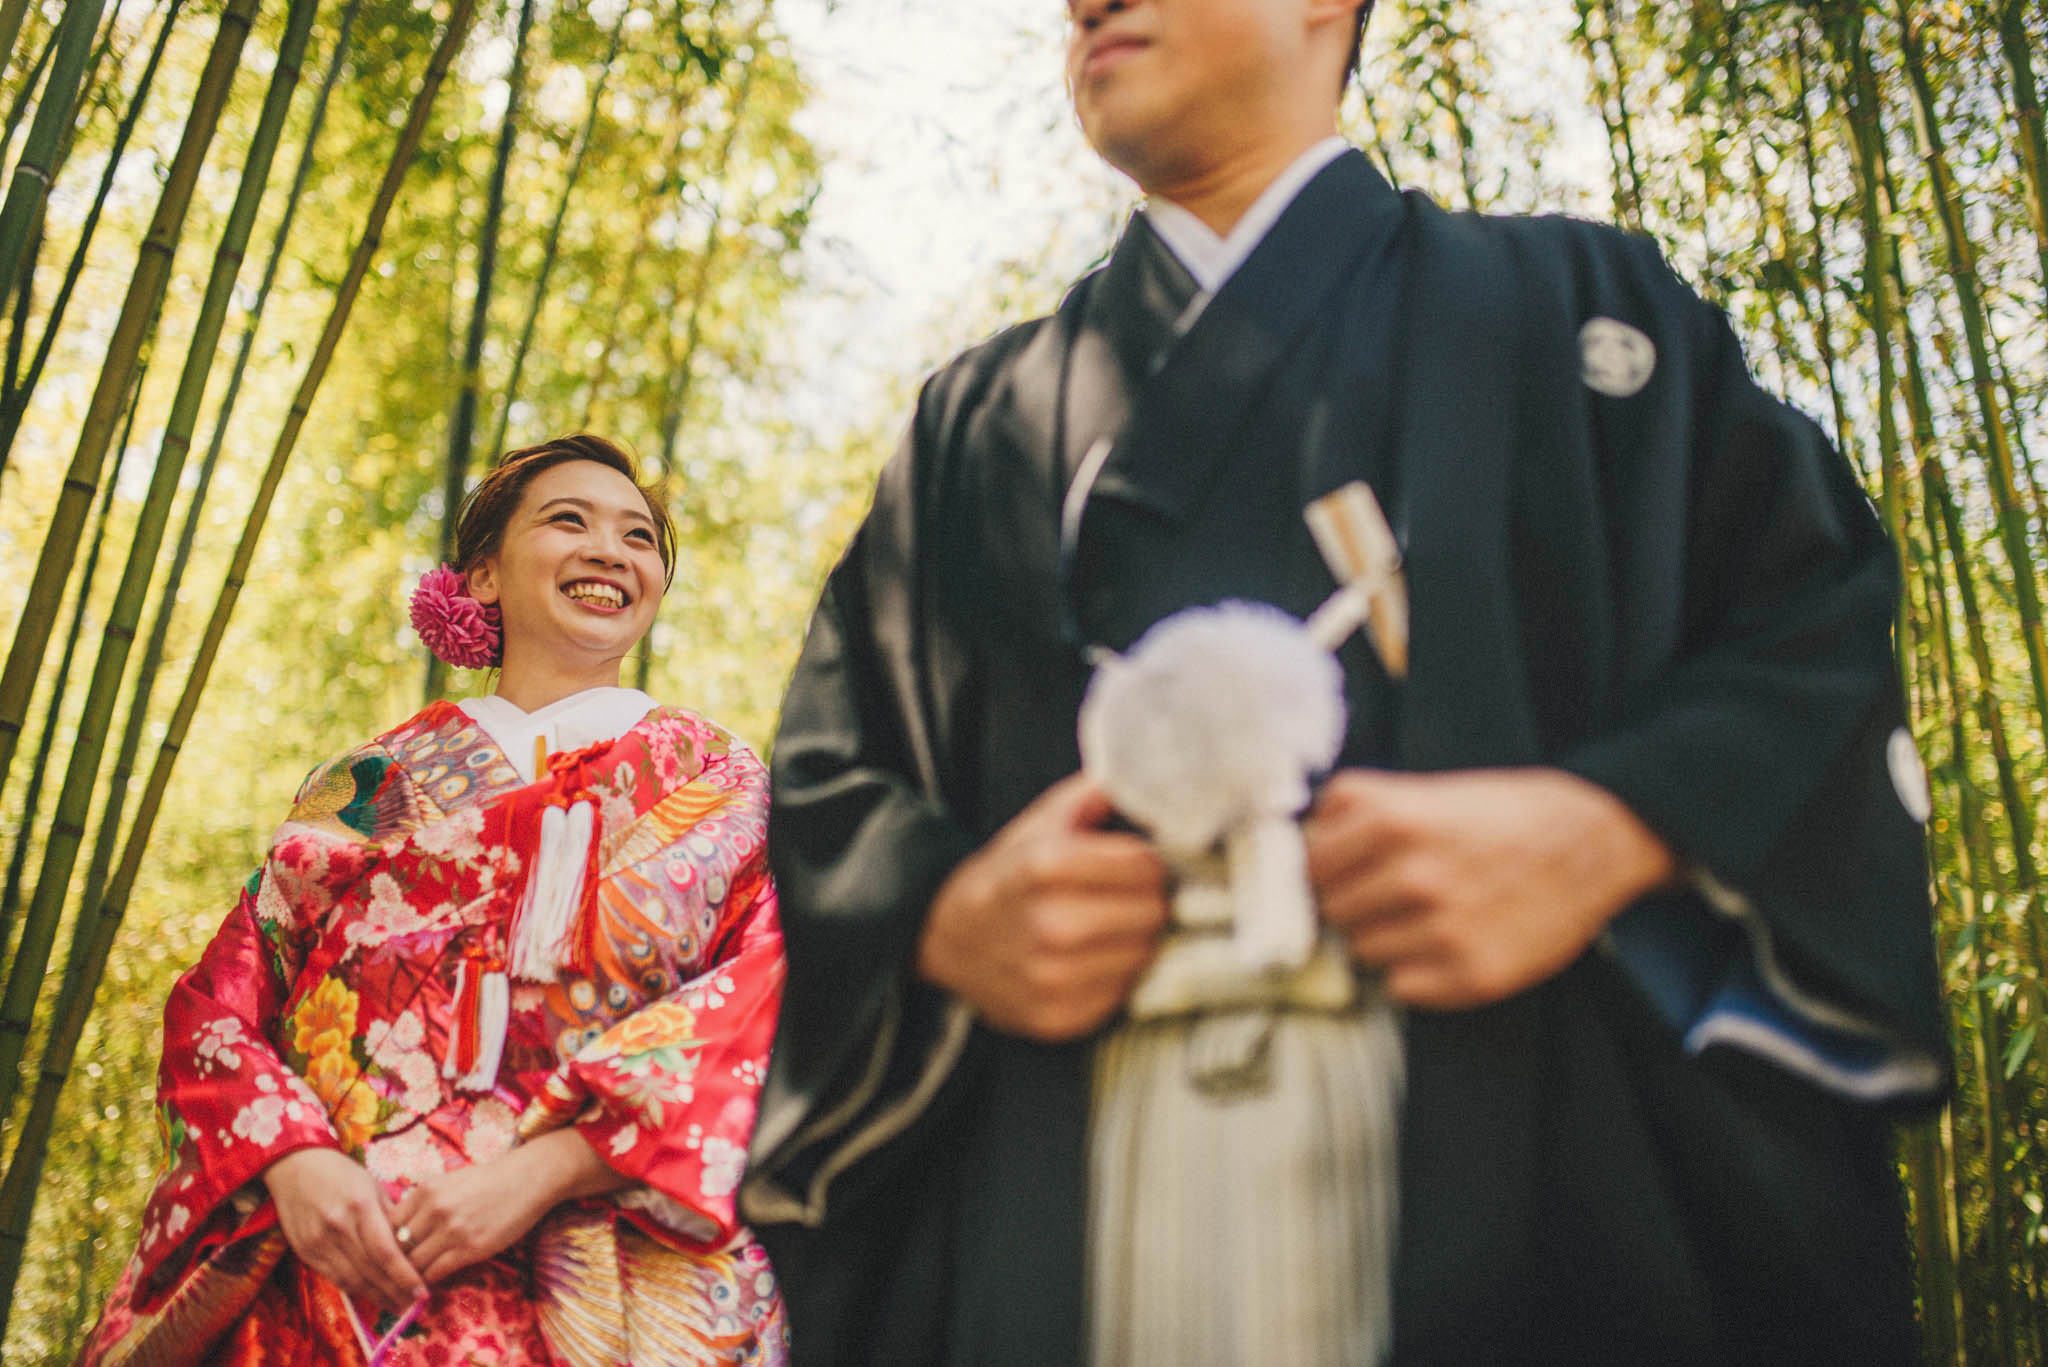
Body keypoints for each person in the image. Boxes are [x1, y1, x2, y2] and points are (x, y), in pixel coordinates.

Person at [739, 1, 1949, 1364]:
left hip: (1525, 1181)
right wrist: (945, 911)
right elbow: (829, 768)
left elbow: (1814, 627)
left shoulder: (1582, 315)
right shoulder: (976, 420)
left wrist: (1608, 829)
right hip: (1065, 1201)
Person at [81, 435, 789, 1366]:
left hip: (599, 1257)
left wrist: (543, 1170)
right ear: (484, 573)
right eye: (568, 520)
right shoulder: (368, 779)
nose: (611, 551)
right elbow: (221, 1001)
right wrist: (295, 1161)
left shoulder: (718, 775)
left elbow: (768, 993)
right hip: (341, 1240)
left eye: (640, 538)